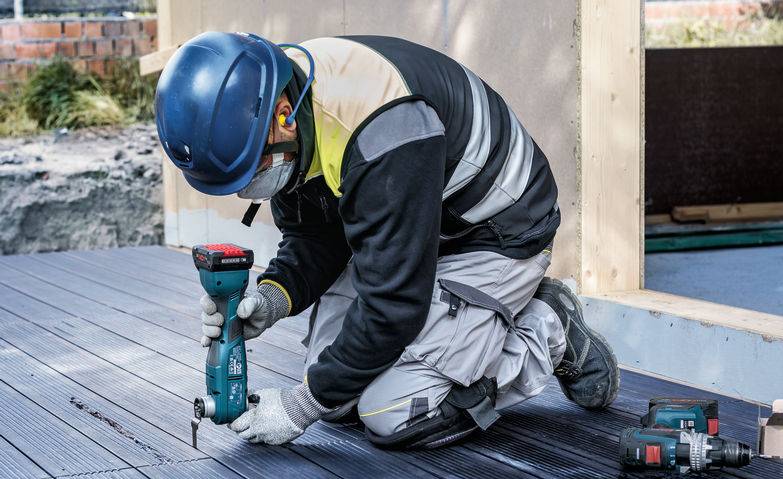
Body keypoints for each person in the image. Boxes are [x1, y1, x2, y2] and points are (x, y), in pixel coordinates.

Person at [155, 32, 619, 449]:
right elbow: (315, 236)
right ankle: (478, 320)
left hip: (494, 233)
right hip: (412, 232)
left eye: (250, 170)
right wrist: (272, 298)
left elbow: (393, 304)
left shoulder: (384, 131)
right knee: (338, 400)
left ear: (284, 117)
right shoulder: (279, 103)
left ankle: (546, 327)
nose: (247, 188)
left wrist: (299, 408)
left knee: (393, 412)